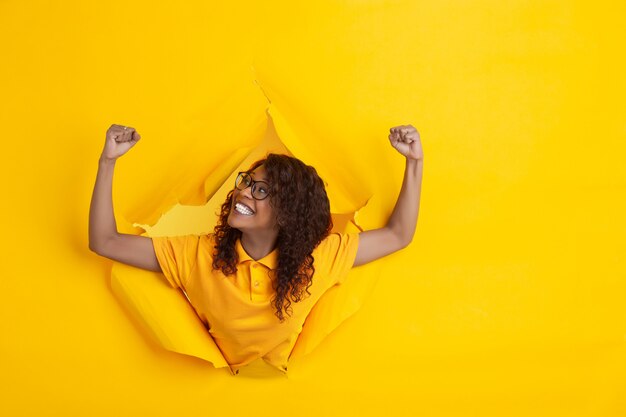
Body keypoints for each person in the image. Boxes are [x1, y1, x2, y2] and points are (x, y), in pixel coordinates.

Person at [89, 123, 424, 374]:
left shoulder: (319, 260)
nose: (244, 193)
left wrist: (415, 162)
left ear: (288, 213)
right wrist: (107, 161)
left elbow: (398, 235)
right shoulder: (196, 255)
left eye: (262, 191)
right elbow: (105, 241)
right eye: (247, 182)